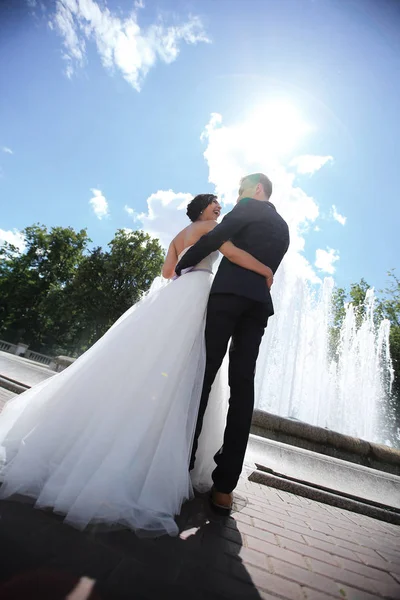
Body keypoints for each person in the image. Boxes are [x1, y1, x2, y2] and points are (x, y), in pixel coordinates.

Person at [0, 193, 273, 537]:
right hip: (201, 294)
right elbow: (232, 253)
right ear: (203, 209)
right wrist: (265, 269)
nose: (220, 207)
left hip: (177, 294)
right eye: (214, 203)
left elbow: (167, 271)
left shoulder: (179, 236)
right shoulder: (212, 227)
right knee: (190, 370)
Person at [176, 174, 290, 515]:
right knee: (243, 388)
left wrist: (183, 264)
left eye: (242, 190)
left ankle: (182, 464)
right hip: (257, 306)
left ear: (257, 190)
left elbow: (217, 236)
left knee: (204, 373)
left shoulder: (248, 208)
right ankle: (224, 488)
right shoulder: (283, 227)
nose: (237, 197)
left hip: (227, 297)